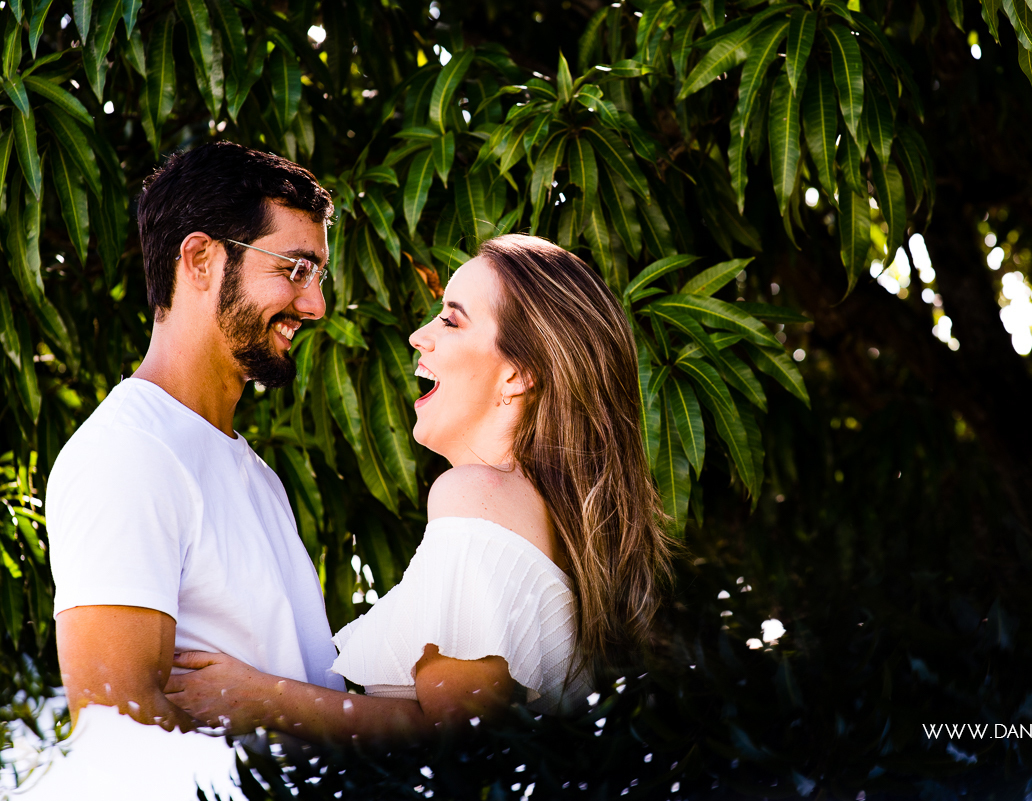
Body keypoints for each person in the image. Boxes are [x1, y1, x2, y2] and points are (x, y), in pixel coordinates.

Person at [166, 234, 674, 743]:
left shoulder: (475, 496)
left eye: (451, 321)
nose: (417, 335)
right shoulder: (552, 519)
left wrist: (261, 699)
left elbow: (459, 743)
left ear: (519, 375)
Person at [47, 142, 345, 733]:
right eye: (295, 269)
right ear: (201, 259)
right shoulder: (127, 456)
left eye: (318, 275)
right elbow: (120, 729)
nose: (316, 304)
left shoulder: (254, 472)